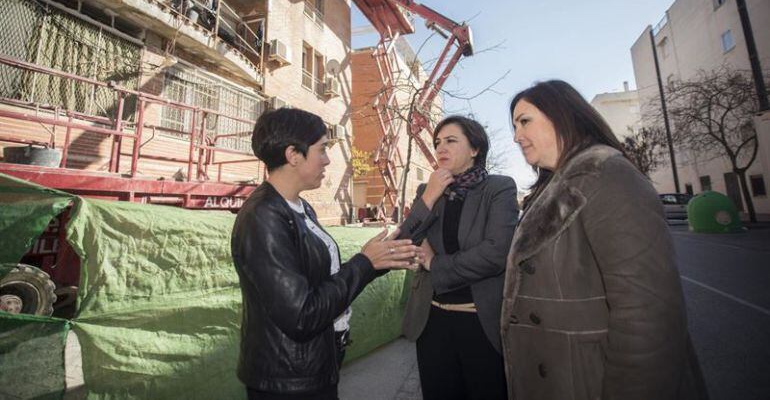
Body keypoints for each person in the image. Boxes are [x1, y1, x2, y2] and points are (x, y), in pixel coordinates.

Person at [503, 80, 708, 400]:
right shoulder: (552, 189)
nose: (516, 136)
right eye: (514, 126)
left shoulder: (607, 176)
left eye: (525, 121)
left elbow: (647, 315)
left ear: (562, 116)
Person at [231, 108, 420, 400]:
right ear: (294, 155)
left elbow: (317, 278)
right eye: (322, 149)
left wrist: (378, 260)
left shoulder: (301, 207)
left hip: (316, 365)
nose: (328, 160)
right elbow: (302, 314)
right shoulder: (264, 217)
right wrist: (364, 264)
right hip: (288, 381)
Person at [399, 115, 519, 400]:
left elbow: (495, 253)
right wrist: (428, 197)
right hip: (432, 321)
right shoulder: (429, 191)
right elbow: (404, 242)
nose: (441, 148)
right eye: (437, 142)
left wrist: (433, 263)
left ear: (475, 148)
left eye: (451, 141)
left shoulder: (498, 188)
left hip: (480, 322)